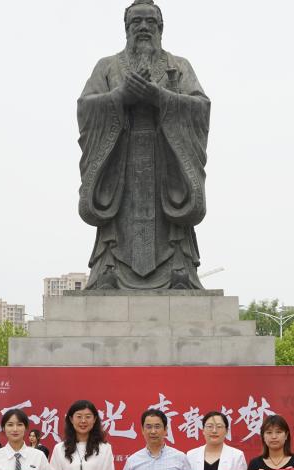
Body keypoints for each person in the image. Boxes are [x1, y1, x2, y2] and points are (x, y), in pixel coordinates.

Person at [77, 0, 210, 290]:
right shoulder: (108, 67)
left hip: (166, 166)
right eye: (136, 22)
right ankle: (109, 269)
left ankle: (178, 270)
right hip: (121, 164)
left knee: (172, 227)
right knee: (116, 228)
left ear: (161, 27)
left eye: (150, 21)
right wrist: (120, 96)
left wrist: (160, 97)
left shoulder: (179, 66)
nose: (144, 27)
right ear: (126, 28)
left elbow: (200, 107)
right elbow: (85, 108)